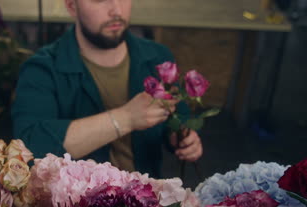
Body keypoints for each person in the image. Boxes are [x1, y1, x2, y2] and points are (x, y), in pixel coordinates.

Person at [12, 0, 202, 177]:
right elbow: (30, 145)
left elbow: (179, 117)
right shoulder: (41, 69)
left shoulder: (158, 56)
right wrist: (126, 118)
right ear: (71, 6)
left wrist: (182, 138)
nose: (116, 10)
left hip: (148, 200)